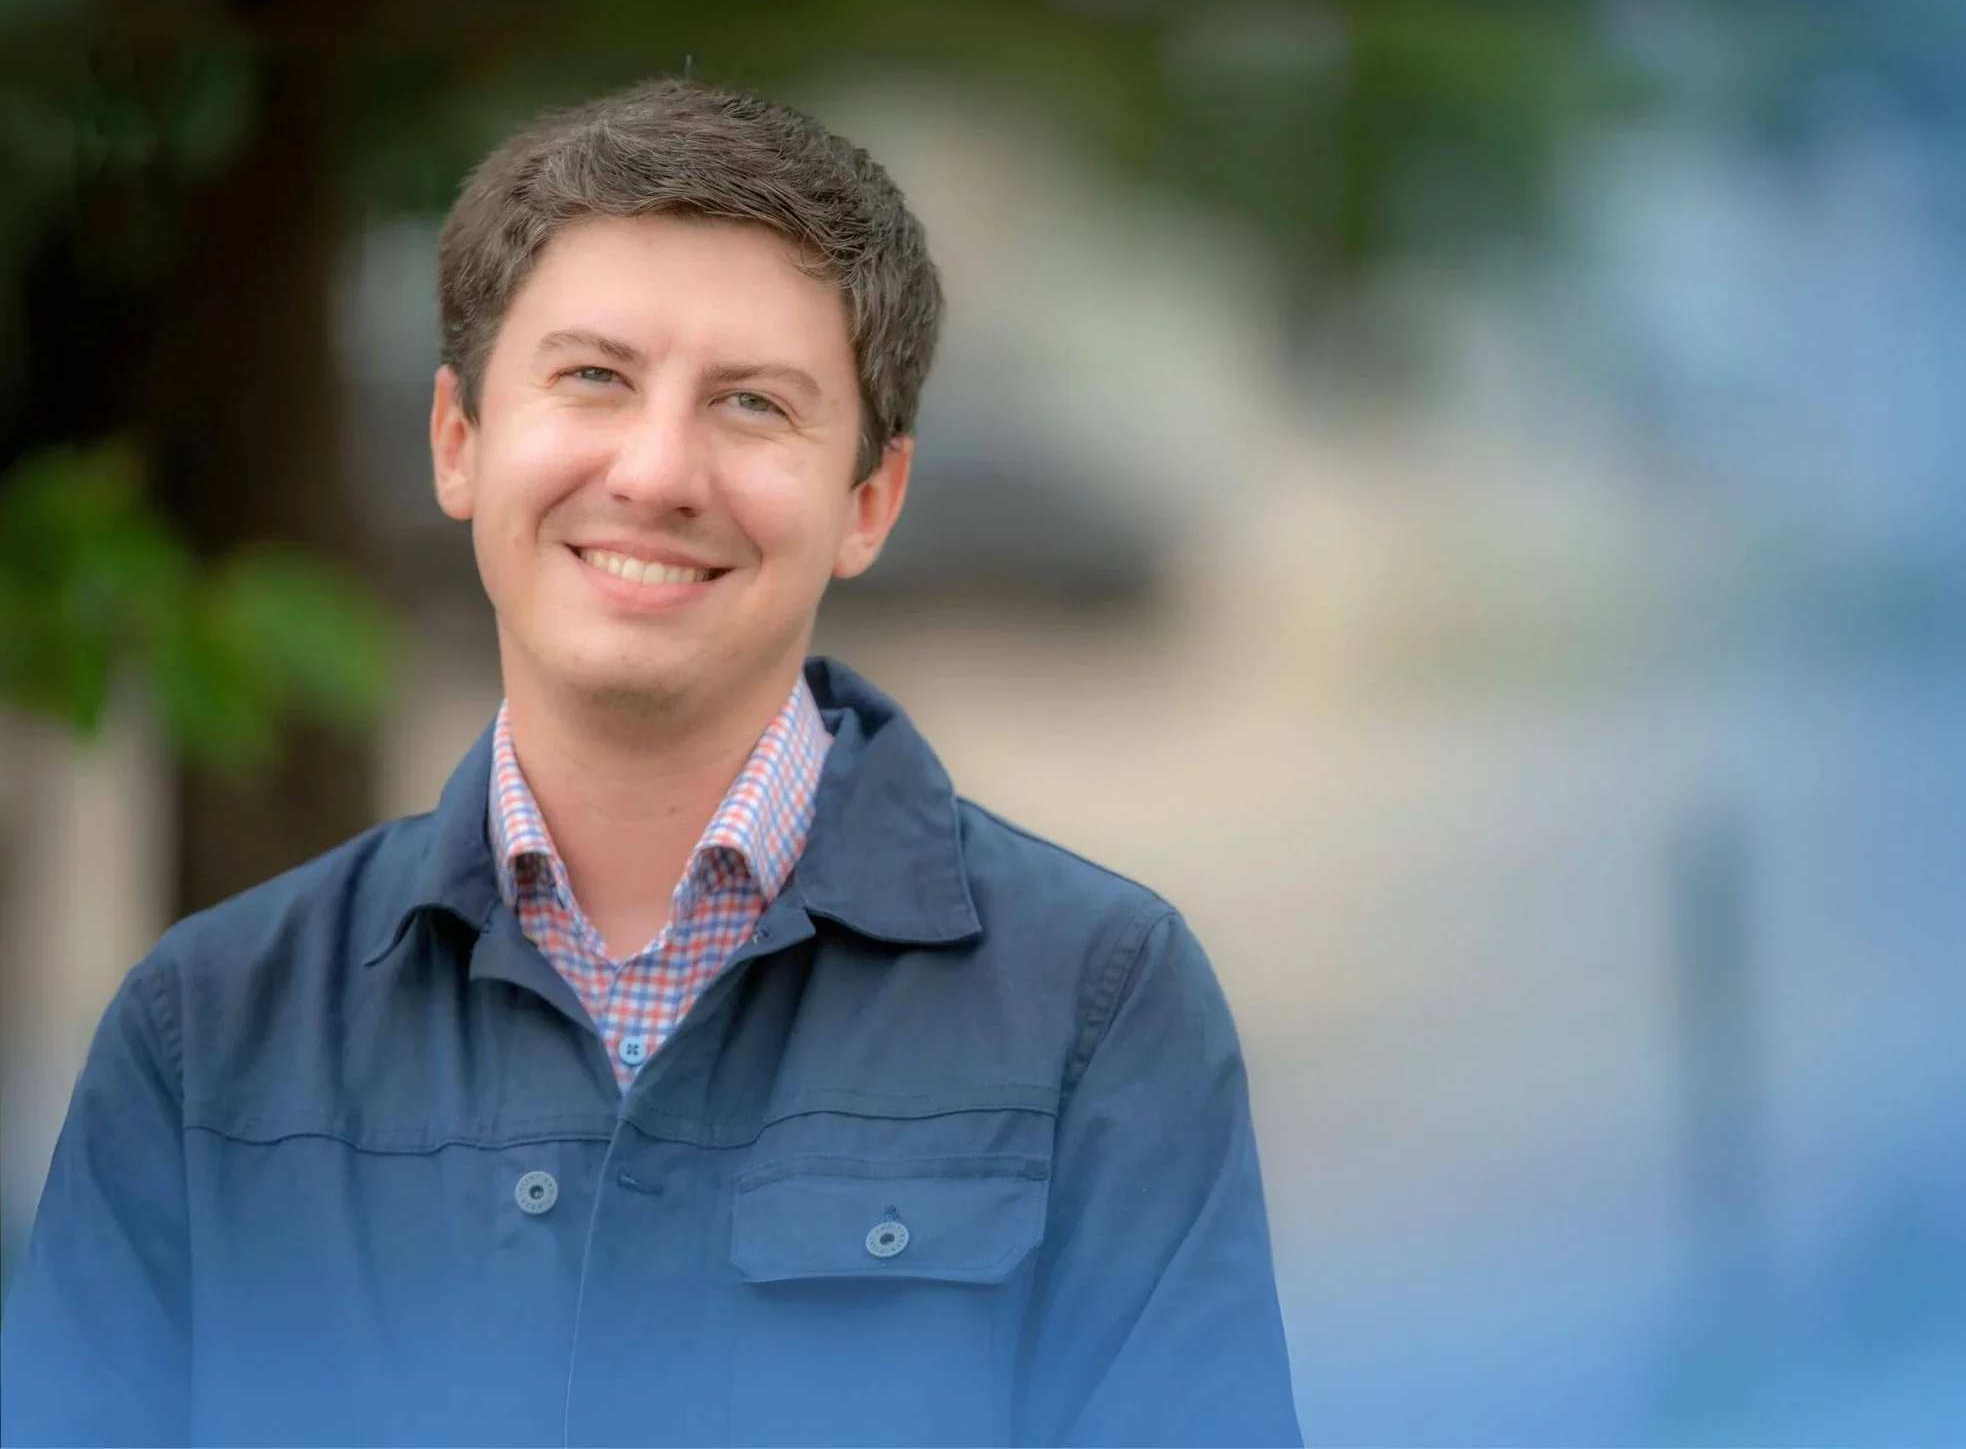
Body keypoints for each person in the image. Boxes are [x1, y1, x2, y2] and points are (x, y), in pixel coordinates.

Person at [0, 79, 1300, 1447]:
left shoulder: (1100, 1008)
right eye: (594, 377)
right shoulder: (203, 1032)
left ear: (869, 500)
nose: (659, 469)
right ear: (461, 440)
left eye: (751, 402)